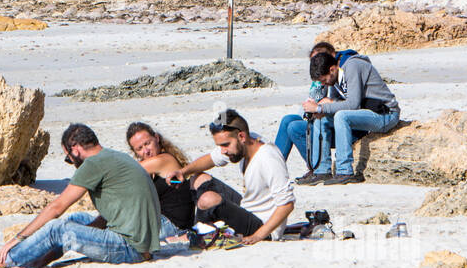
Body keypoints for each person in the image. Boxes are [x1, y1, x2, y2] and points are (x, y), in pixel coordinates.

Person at [0, 124, 161, 268]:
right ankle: (38, 260)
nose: (71, 162)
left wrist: (17, 239)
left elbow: (57, 207)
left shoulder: (93, 164)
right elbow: (109, 215)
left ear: (75, 150)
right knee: (79, 218)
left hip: (131, 249)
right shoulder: (116, 157)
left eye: (68, 158)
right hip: (143, 246)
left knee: (58, 228)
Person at [166, 109, 296, 244]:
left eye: (225, 145)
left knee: (207, 199)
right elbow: (211, 159)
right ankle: (204, 228)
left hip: (262, 226)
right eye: (220, 146)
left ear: (242, 136)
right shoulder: (246, 143)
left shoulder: (268, 157)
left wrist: (257, 236)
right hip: (247, 209)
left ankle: (197, 233)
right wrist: (183, 172)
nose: (223, 151)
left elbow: (287, 204)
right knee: (198, 178)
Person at [125, 121, 262, 239]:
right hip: (167, 222)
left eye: (147, 143)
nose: (146, 151)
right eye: (139, 148)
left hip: (173, 226)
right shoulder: (149, 170)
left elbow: (124, 173)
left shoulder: (163, 160)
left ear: (156, 138)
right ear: (135, 152)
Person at [305, 49, 401, 185]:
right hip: (366, 112)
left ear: (332, 69)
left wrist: (321, 107)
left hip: (385, 114)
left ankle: (344, 171)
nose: (324, 84)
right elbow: (340, 103)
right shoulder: (336, 76)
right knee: (321, 118)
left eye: (324, 80)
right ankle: (322, 170)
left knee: (341, 116)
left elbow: (353, 104)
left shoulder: (352, 66)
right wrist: (320, 110)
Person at [275, 41, 343, 184]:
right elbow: (308, 108)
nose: (315, 65)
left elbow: (348, 103)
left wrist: (324, 105)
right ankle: (274, 169)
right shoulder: (320, 80)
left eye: (318, 60)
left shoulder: (338, 75)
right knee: (289, 120)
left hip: (333, 124)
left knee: (294, 127)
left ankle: (317, 167)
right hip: (320, 120)